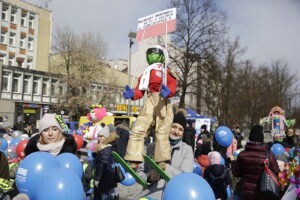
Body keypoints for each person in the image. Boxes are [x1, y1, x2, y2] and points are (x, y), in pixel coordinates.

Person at [123, 45, 177, 170]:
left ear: (162, 55)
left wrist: (168, 92)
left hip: (163, 101)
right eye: (149, 53)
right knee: (139, 127)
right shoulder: (146, 73)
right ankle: (133, 157)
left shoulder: (167, 72)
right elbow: (139, 91)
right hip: (149, 100)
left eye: (155, 53)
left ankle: (162, 160)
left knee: (162, 131)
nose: (152, 55)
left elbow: (173, 85)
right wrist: (132, 94)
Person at [138, 110, 194, 199]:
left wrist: (166, 168)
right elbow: (139, 173)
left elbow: (185, 178)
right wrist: (149, 177)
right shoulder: (151, 147)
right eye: (174, 127)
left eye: (180, 129)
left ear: (183, 133)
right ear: (168, 127)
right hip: (151, 195)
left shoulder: (187, 150)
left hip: (173, 196)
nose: (176, 131)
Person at [232, 125, 280, 200]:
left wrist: (233, 163)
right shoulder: (268, 155)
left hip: (246, 192)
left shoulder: (242, 155)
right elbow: (277, 172)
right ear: (262, 138)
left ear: (250, 137)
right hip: (264, 191)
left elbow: (236, 173)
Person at [93, 129, 119, 200]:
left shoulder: (105, 149)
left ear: (106, 137)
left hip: (104, 178)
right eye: (99, 136)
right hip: (108, 177)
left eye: (102, 136)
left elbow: (101, 166)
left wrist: (97, 179)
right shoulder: (104, 147)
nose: (100, 138)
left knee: (104, 196)